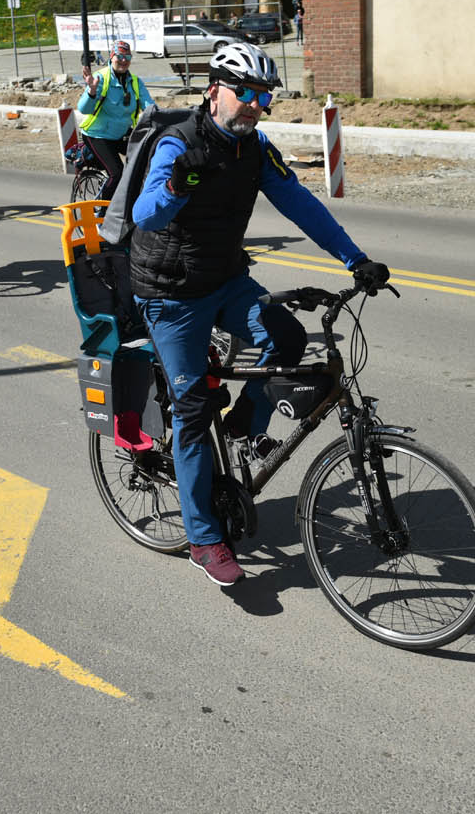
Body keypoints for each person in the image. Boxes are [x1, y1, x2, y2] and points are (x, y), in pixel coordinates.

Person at [126, 41, 390, 587]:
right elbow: (145, 214)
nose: (253, 104)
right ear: (214, 89)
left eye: (262, 96)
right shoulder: (179, 144)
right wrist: (177, 185)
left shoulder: (257, 150)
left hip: (224, 280)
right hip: (171, 294)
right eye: (243, 92)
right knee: (194, 413)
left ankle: (247, 420)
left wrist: (354, 258)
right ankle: (203, 538)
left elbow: (300, 204)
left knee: (289, 341)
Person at [77, 40, 155, 200]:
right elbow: (84, 109)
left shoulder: (134, 81)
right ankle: (102, 209)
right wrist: (91, 91)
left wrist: (163, 117)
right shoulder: (101, 77)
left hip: (121, 133)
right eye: (119, 56)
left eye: (127, 57)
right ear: (111, 57)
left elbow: (150, 107)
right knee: (116, 173)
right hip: (97, 135)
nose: (124, 60)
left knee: (148, 159)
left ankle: (133, 198)